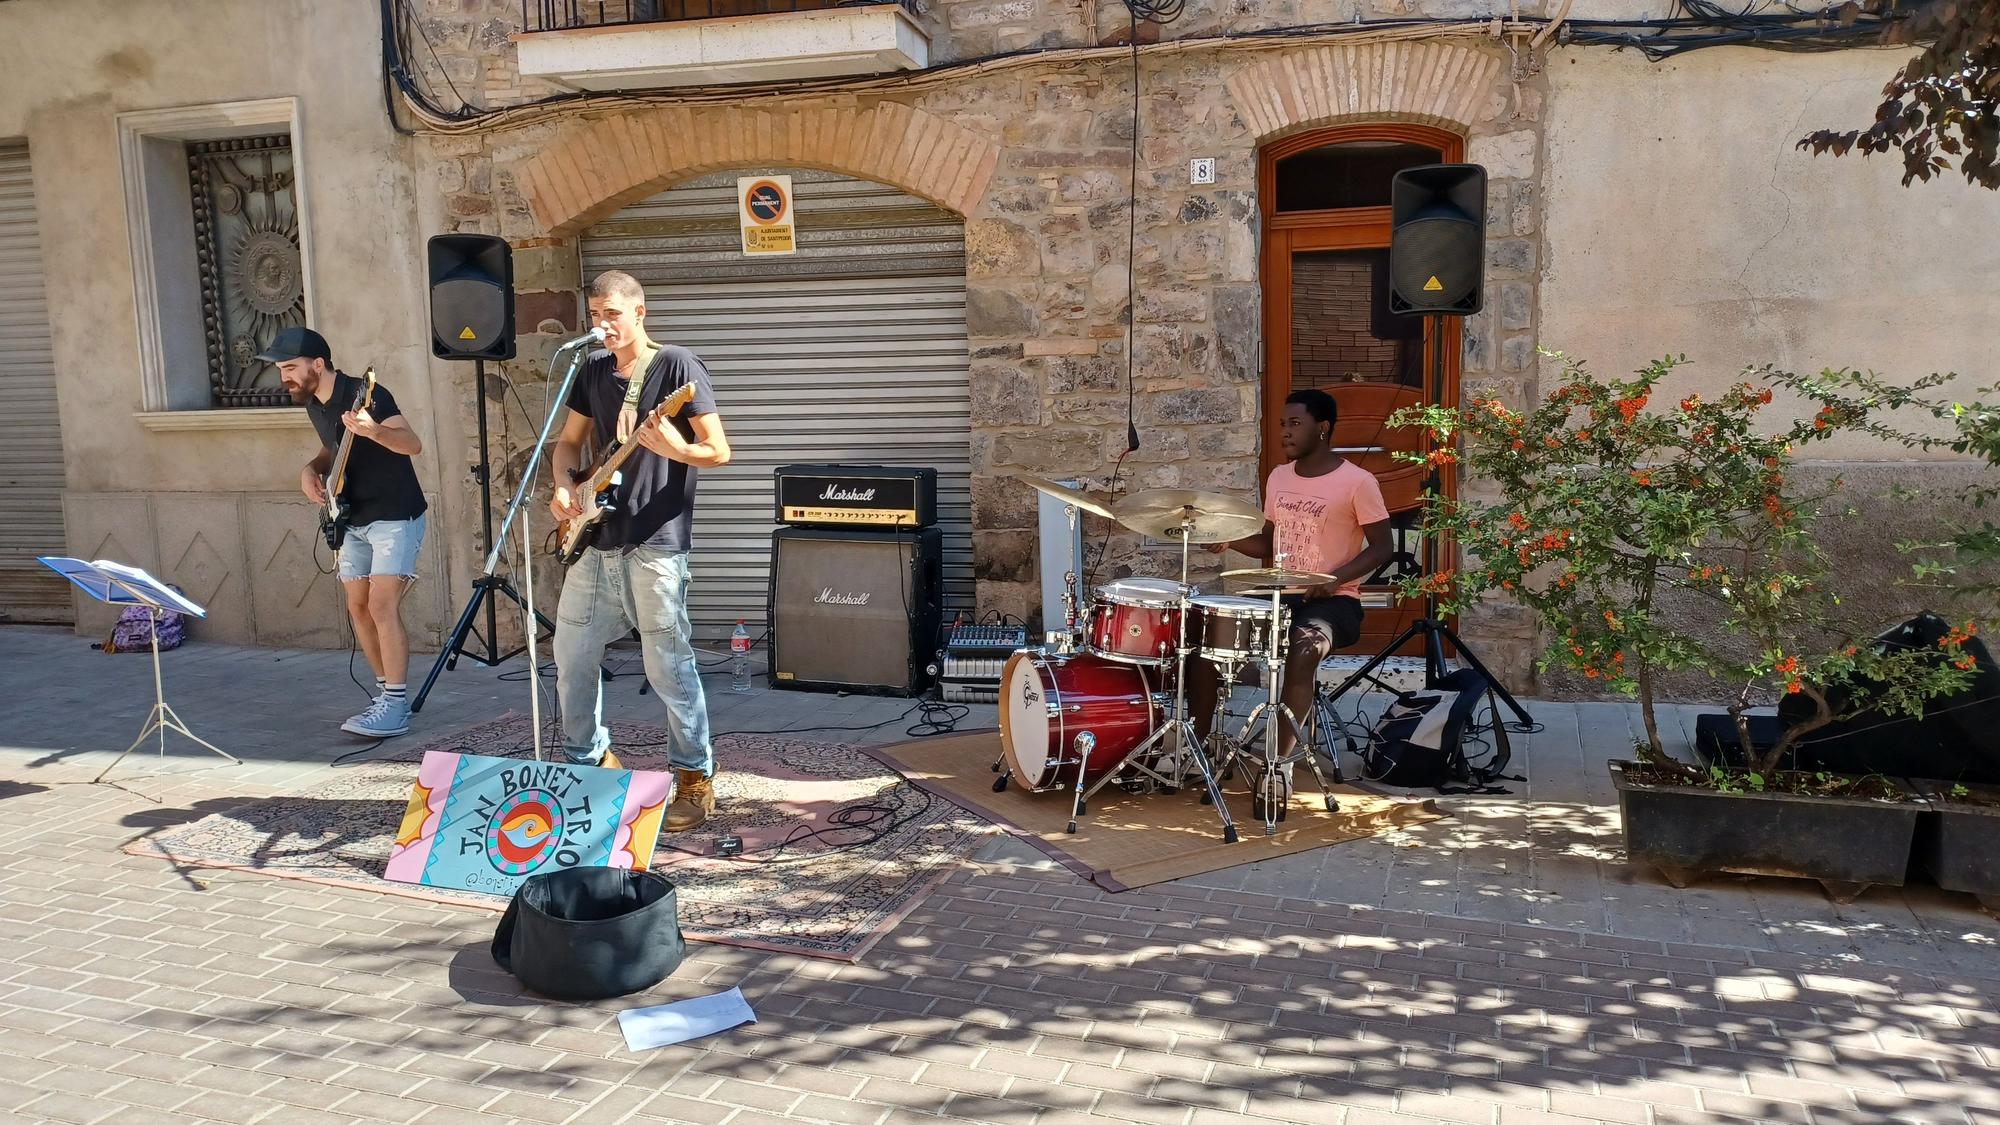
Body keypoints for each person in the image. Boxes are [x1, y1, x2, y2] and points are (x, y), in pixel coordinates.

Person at [549, 270, 731, 832]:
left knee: (667, 665)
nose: (601, 325)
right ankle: (591, 764)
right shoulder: (591, 372)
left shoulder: (677, 366)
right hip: (595, 541)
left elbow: (719, 450)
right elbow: (568, 445)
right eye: (594, 315)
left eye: (612, 314)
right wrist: (562, 489)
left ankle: (694, 777)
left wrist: (678, 446)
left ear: (639, 313)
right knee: (571, 660)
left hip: (655, 544)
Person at [1192, 388, 1393, 814]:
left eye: (1295, 423)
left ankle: (1278, 765)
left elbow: (1382, 549)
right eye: (1283, 424)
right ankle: (1199, 747)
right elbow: (1269, 541)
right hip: (1282, 593)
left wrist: (1334, 578)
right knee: (1204, 640)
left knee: (1303, 652)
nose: (1285, 432)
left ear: (1322, 428)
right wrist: (1226, 538)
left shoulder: (1358, 482)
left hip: (1334, 600)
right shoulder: (1279, 478)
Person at [271, 326, 428, 739]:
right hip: (351, 518)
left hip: (394, 515)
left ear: (317, 365)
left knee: (381, 606)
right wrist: (311, 469)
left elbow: (412, 444)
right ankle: (384, 696)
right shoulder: (313, 403)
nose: (283, 377)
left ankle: (396, 705)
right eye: (280, 370)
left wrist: (374, 429)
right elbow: (332, 448)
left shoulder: (367, 394)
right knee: (357, 607)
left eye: (289, 368)